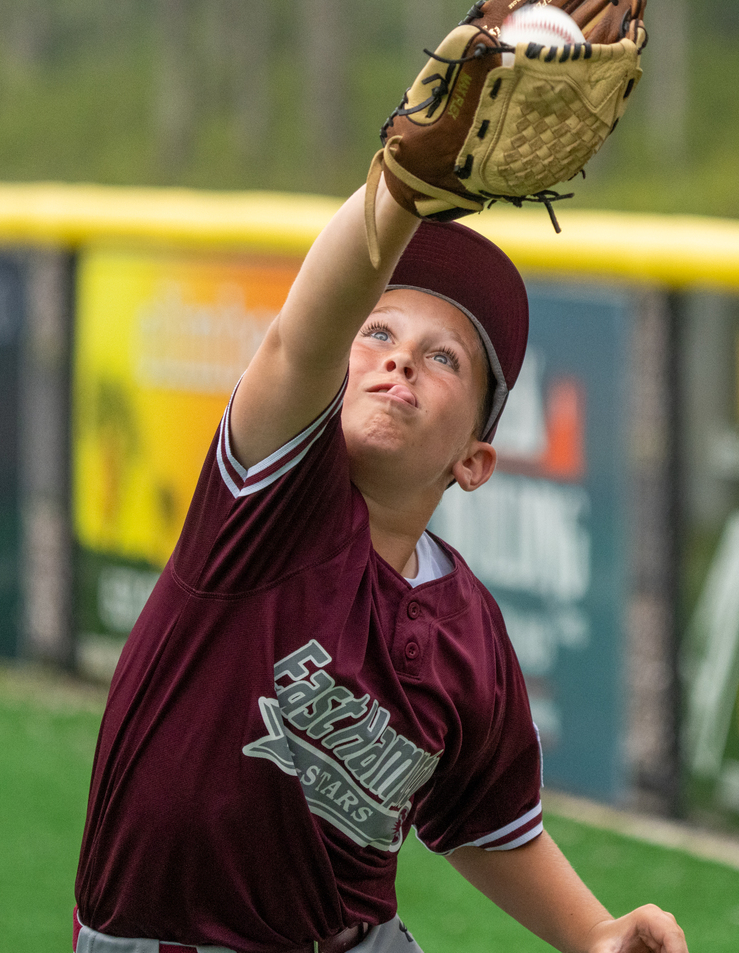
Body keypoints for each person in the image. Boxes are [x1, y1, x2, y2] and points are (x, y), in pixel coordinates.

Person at [73, 173, 689, 953]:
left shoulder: (467, 632)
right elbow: (301, 339)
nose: (400, 362)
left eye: (443, 359)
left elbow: (487, 817)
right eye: (379, 333)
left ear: (474, 460)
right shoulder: (268, 504)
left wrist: (594, 933)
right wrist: (401, 183)